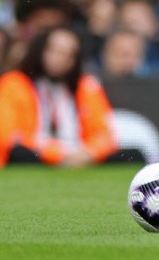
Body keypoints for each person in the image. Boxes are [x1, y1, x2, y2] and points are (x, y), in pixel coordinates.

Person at [0, 25, 118, 167]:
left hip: (79, 153)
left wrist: (89, 153)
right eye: (54, 51)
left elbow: (105, 134)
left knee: (133, 155)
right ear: (40, 50)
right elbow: (9, 136)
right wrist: (56, 154)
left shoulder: (86, 86)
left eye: (68, 54)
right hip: (38, 154)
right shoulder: (14, 83)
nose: (60, 58)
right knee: (20, 154)